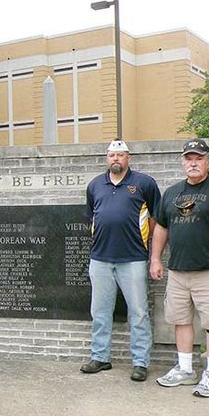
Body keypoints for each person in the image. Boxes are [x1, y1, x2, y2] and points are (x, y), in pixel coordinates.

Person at [150, 139, 209, 398]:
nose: (193, 163)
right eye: (189, 158)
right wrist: (156, 259)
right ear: (183, 162)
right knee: (180, 320)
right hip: (178, 270)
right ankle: (186, 369)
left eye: (199, 158)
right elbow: (162, 228)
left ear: (208, 161)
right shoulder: (172, 193)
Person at [79, 140, 161, 382]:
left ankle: (140, 362)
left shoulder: (144, 184)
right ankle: (100, 357)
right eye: (112, 155)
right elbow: (91, 217)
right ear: (107, 158)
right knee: (100, 311)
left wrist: (147, 247)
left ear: (128, 158)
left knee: (138, 312)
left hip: (133, 258)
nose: (116, 159)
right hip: (100, 259)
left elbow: (156, 219)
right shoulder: (95, 185)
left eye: (120, 155)